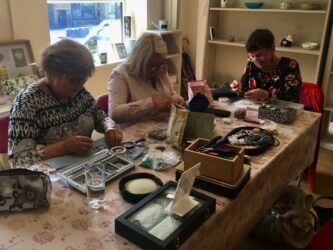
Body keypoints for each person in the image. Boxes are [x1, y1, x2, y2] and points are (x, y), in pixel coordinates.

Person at [8, 39, 122, 168]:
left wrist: (109, 127)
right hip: (51, 177)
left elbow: (100, 116)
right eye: (74, 80)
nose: (80, 86)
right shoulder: (27, 103)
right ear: (53, 74)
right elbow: (18, 160)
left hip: (83, 166)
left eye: (83, 81)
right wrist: (64, 147)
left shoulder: (78, 92)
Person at [108, 32, 185, 125]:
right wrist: (150, 102)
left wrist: (176, 99)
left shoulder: (161, 69)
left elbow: (171, 93)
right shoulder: (121, 75)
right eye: (150, 66)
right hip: (135, 134)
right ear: (138, 60)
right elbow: (115, 113)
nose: (155, 71)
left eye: (160, 65)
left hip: (162, 127)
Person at [230, 29, 302, 102]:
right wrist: (238, 88)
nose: (256, 60)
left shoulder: (290, 65)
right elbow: (244, 93)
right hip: (254, 111)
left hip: (280, 112)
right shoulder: (251, 64)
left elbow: (292, 99)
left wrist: (267, 95)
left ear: (272, 48)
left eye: (260, 55)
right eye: (252, 56)